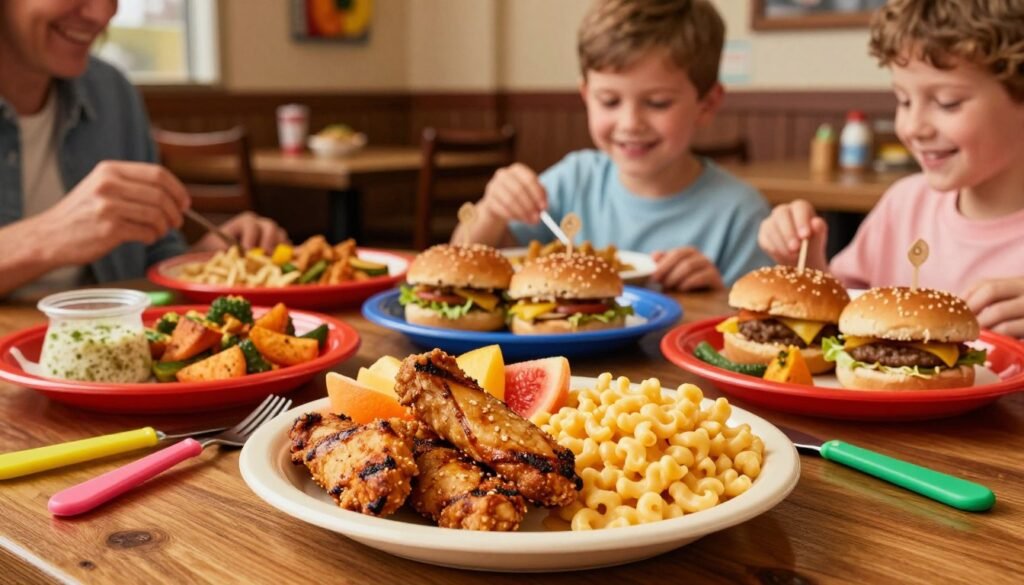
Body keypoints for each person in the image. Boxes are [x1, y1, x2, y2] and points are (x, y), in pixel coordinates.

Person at [452, 0, 771, 290]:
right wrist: (492, 211)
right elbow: (459, 268)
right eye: (609, 101)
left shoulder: (740, 213)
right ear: (586, 95)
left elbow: (753, 329)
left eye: (658, 103)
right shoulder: (573, 180)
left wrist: (715, 294)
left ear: (707, 104)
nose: (630, 122)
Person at [757, 0, 1024, 337]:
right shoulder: (903, 204)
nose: (913, 127)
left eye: (947, 103)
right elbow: (845, 313)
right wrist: (807, 265)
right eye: (904, 100)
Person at [0, 0, 287, 297]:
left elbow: (153, 255)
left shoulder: (114, 94)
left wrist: (207, 261)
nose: (102, 14)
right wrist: (50, 236)